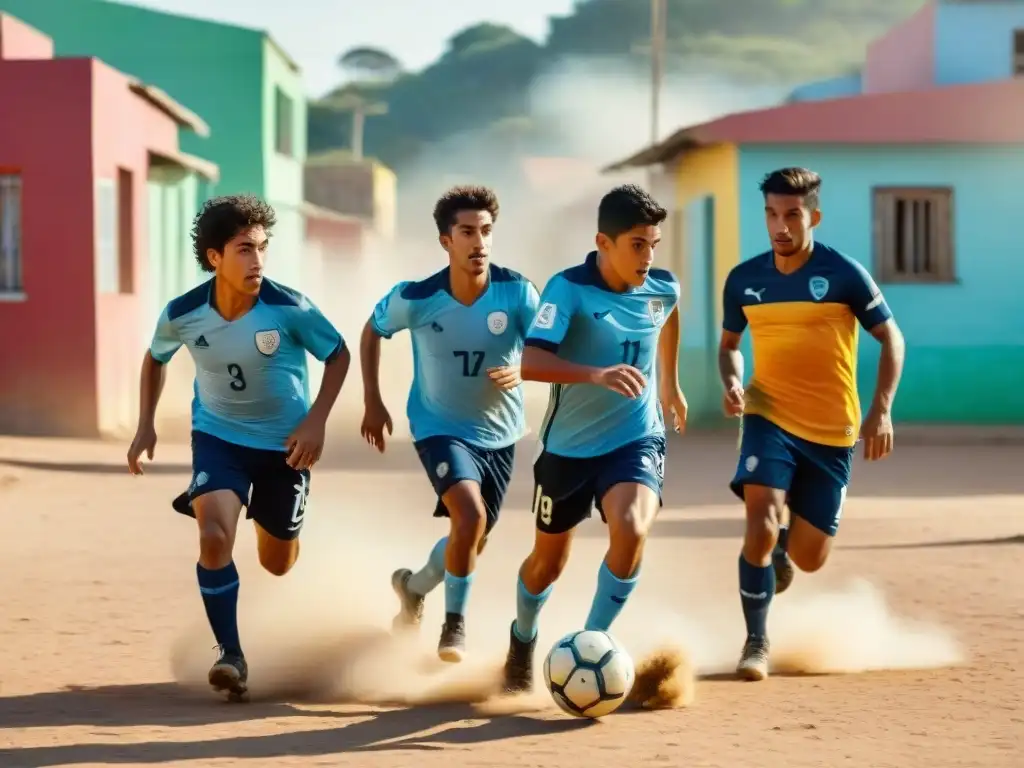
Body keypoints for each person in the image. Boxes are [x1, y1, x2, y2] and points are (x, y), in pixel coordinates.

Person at [126, 195, 350, 701]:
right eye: (244, 249)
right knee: (212, 537)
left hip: (284, 448)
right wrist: (145, 426)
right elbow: (155, 359)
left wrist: (315, 422)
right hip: (218, 439)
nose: (257, 261)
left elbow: (337, 355)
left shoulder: (290, 307)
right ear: (214, 258)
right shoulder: (183, 313)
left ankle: (283, 530)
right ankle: (231, 655)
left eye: (262, 248)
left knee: (277, 563)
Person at [718, 167, 905, 681]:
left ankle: (784, 546)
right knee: (759, 518)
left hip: (831, 430)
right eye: (772, 215)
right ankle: (756, 642)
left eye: (792, 215)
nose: (781, 226)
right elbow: (730, 346)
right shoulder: (744, 279)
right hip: (767, 414)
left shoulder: (844, 274)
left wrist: (881, 408)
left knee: (810, 557)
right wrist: (732, 382)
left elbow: (892, 339)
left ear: (813, 216)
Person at [500, 184, 687, 694]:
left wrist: (670, 386)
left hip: (636, 438)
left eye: (653, 244)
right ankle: (522, 638)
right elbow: (532, 363)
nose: (648, 257)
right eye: (636, 245)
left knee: (630, 527)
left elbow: (668, 318)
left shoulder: (663, 288)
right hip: (568, 450)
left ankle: (593, 642)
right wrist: (597, 374)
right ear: (603, 243)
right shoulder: (568, 289)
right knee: (547, 564)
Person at [359, 185, 538, 662]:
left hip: (501, 433)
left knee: (469, 535)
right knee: (470, 516)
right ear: (446, 241)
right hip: (438, 427)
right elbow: (371, 331)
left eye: (486, 231)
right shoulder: (416, 298)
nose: (479, 242)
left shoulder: (518, 292)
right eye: (467, 232)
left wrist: (525, 369)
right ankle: (454, 627)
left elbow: (547, 349)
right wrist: (373, 401)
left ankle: (413, 588)